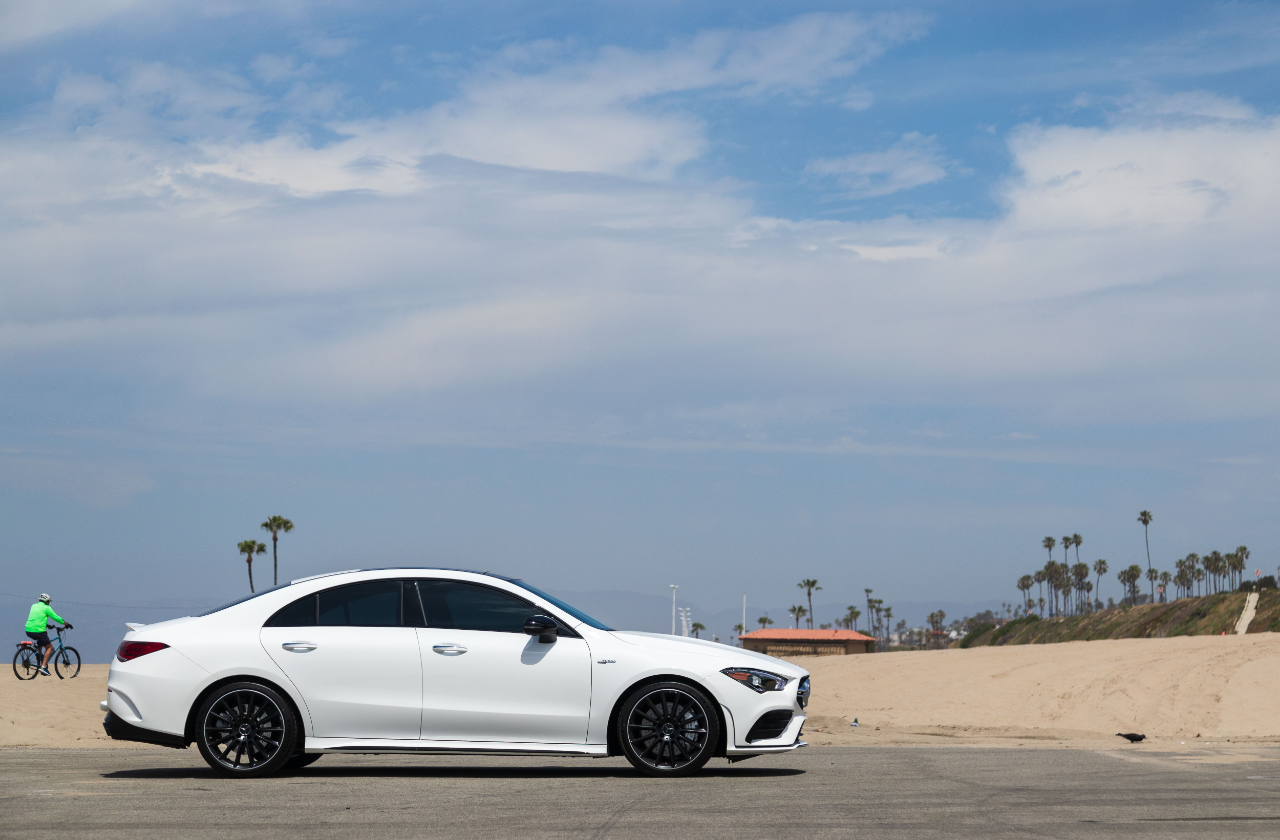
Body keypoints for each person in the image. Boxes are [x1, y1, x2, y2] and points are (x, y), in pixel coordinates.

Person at [25, 594, 71, 677]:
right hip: (38, 630)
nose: (49, 603)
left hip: (28, 630)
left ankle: (39, 654)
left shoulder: (33, 606)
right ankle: (43, 667)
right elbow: (56, 617)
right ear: (46, 601)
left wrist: (47, 625)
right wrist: (66, 623)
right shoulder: (47, 608)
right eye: (48, 601)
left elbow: (36, 618)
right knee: (50, 647)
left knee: (44, 634)